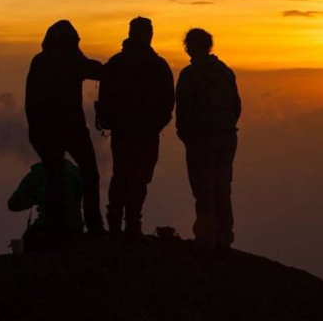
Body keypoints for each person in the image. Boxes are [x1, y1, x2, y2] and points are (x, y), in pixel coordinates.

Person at [25, 20, 104, 235]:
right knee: (88, 173)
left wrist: (35, 133)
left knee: (55, 178)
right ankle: (93, 225)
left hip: (47, 131)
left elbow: (30, 104)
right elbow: (94, 69)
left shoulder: (40, 61)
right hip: (71, 129)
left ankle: (54, 226)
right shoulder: (70, 60)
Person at [98, 16, 175, 237]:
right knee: (139, 177)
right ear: (149, 35)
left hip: (123, 131)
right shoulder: (158, 66)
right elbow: (168, 100)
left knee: (121, 173)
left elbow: (105, 98)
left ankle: (116, 223)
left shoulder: (116, 63)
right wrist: (157, 124)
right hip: (146, 133)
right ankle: (132, 223)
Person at [175, 28, 241, 253]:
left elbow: (183, 112)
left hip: (202, 140)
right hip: (226, 137)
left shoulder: (189, 75)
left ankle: (206, 240)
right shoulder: (225, 72)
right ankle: (224, 238)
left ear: (189, 47)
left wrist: (186, 136)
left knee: (204, 189)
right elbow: (236, 106)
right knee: (222, 188)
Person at [8, 159, 84, 242]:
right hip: (74, 226)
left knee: (27, 240)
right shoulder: (74, 171)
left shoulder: (36, 173)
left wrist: (31, 201)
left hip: (46, 226)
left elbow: (13, 204)